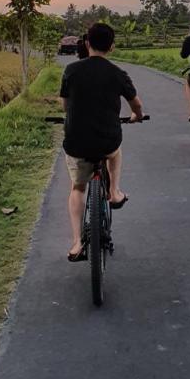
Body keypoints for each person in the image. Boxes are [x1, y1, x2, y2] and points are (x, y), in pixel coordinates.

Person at [59, 22, 144, 262]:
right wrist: (136, 116)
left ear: (87, 43)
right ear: (112, 47)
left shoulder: (71, 71)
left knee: (77, 188)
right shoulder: (118, 73)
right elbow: (136, 104)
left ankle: (77, 243)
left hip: (76, 142)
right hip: (107, 139)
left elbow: (65, 105)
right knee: (114, 151)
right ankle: (114, 192)